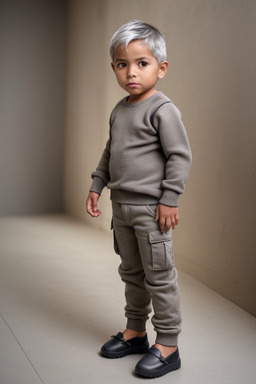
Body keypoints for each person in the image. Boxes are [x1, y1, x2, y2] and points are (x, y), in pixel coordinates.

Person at [86, 20, 192, 378]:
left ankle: (168, 344)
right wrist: (97, 184)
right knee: (131, 272)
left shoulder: (163, 110)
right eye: (122, 64)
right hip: (122, 208)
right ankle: (135, 333)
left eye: (141, 63)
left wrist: (170, 199)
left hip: (151, 210)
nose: (131, 72)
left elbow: (179, 156)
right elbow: (110, 151)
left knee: (159, 275)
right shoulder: (120, 110)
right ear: (114, 67)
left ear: (161, 68)